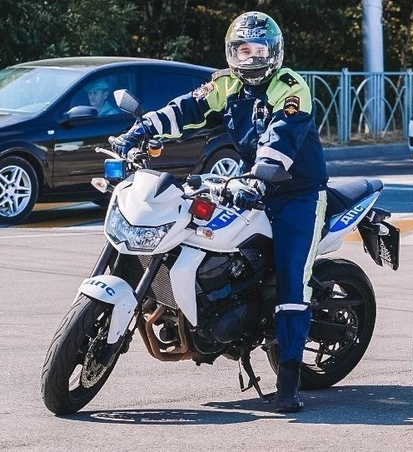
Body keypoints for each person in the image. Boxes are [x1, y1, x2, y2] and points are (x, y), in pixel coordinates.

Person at [111, 11, 328, 413]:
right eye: (243, 50)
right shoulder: (225, 85)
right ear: (232, 52)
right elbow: (185, 109)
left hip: (296, 194)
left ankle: (289, 378)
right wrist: (141, 130)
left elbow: (281, 138)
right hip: (247, 184)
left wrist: (262, 175)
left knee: (292, 279)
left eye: (258, 49)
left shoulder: (290, 87)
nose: (251, 57)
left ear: (274, 52)